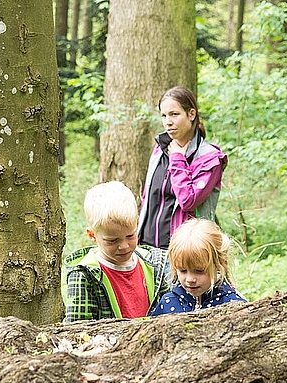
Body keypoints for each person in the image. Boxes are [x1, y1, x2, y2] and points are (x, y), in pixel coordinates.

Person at [63, 181, 171, 322]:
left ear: (137, 223)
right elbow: (78, 331)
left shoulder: (155, 264)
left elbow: (169, 314)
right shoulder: (84, 277)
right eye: (112, 240)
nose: (124, 246)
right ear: (92, 235)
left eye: (130, 236)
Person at [137, 86, 228, 250]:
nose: (168, 122)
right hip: (146, 250)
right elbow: (147, 199)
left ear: (191, 114)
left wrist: (177, 159)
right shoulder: (160, 150)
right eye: (164, 116)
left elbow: (188, 201)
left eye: (174, 114)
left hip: (184, 253)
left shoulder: (210, 158)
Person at [151, 219, 246, 316]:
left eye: (199, 271)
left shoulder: (233, 305)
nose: (190, 279)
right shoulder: (168, 303)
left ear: (219, 264)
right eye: (183, 271)